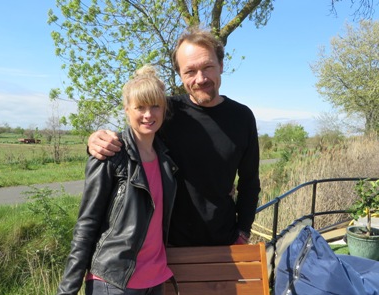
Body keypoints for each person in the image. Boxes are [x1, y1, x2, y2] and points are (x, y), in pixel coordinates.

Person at [88, 26, 261, 247]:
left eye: (208, 67)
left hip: (225, 241)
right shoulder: (166, 111)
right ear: (180, 74)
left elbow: (249, 182)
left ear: (221, 66)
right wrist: (95, 140)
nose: (200, 79)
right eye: (190, 71)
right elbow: (131, 142)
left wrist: (243, 232)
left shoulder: (242, 117)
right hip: (167, 245)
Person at [55, 65, 177, 295]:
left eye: (155, 106)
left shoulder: (166, 160)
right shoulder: (111, 154)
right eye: (140, 107)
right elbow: (87, 223)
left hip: (155, 282)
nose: (148, 115)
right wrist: (67, 292)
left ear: (164, 109)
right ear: (127, 110)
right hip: (115, 283)